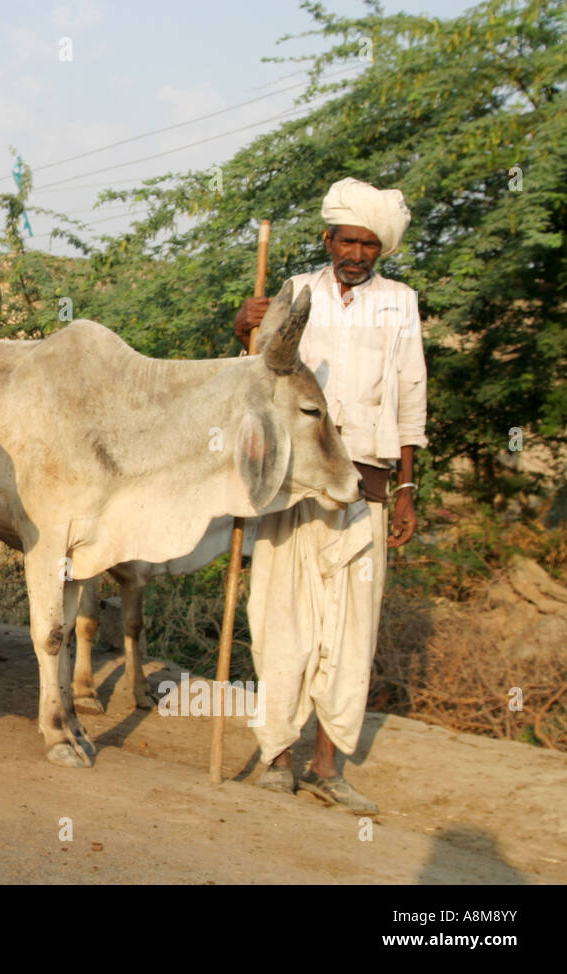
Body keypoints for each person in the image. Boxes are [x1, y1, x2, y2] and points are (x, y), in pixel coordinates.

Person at [234, 177, 426, 814]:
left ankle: (327, 765)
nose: (359, 252)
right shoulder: (295, 294)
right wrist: (246, 329)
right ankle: (277, 756)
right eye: (349, 240)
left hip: (365, 483)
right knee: (279, 617)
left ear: (381, 248)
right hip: (293, 481)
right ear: (329, 238)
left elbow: (410, 395)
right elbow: (258, 381)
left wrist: (405, 489)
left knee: (350, 631)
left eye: (371, 244)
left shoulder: (400, 303)